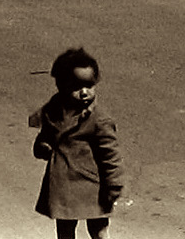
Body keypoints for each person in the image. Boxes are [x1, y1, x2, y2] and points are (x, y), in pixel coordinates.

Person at [30, 47, 125, 238]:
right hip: (63, 186)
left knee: (98, 230)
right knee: (65, 230)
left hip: (92, 186)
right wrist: (42, 147)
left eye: (89, 86)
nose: (84, 93)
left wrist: (114, 186)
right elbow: (45, 135)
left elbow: (111, 155)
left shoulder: (99, 120)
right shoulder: (53, 111)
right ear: (60, 86)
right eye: (75, 87)